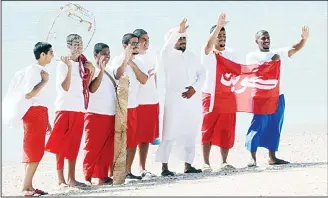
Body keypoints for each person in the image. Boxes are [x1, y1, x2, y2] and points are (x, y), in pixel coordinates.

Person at [245, 26, 310, 167]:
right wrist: (271, 63)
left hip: (277, 96)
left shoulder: (277, 53)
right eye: (263, 38)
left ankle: (272, 157)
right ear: (257, 41)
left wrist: (303, 39)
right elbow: (255, 71)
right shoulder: (252, 56)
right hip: (260, 96)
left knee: (276, 124)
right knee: (257, 124)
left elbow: (294, 48)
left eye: (268, 37)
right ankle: (252, 158)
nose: (266, 40)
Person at [155, 18, 205, 176]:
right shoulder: (167, 54)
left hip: (191, 99)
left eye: (184, 38)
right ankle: (164, 167)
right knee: (169, 132)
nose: (183, 41)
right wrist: (178, 30)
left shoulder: (192, 55)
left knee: (190, 132)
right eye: (179, 38)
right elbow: (167, 45)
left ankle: (188, 165)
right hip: (174, 100)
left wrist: (195, 89)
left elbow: (202, 73)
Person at [45, 33, 94, 187]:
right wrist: (70, 67)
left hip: (79, 109)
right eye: (74, 44)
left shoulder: (83, 63)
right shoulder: (62, 63)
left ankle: (72, 178)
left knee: (73, 144)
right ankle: (61, 180)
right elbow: (65, 87)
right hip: (64, 108)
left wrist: (91, 71)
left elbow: (87, 87)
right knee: (60, 144)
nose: (78, 47)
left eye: (80, 44)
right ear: (68, 46)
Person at [8, 42, 53, 197]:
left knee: (33, 149)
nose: (52, 56)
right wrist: (44, 82)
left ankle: (29, 186)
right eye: (50, 53)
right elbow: (28, 94)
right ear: (43, 54)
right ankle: (26, 188)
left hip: (38, 113)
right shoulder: (36, 71)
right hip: (34, 113)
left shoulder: (37, 70)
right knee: (35, 150)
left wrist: (47, 121)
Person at [200, 13, 238, 171]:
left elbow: (237, 72)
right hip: (210, 95)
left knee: (226, 129)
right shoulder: (208, 52)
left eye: (224, 34)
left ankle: (224, 161)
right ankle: (206, 162)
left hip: (227, 96)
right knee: (207, 128)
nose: (222, 37)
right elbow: (208, 46)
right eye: (219, 34)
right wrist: (218, 26)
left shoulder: (230, 52)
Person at [111, 33, 149, 180]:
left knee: (132, 140)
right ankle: (117, 172)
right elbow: (117, 75)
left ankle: (128, 171)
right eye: (132, 43)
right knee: (120, 140)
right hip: (121, 106)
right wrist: (126, 60)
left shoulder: (140, 61)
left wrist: (132, 63)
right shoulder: (117, 59)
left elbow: (144, 79)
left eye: (137, 43)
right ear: (125, 46)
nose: (136, 46)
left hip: (134, 106)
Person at [83, 43, 116, 185]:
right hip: (95, 114)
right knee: (92, 147)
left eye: (108, 53)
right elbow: (92, 89)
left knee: (107, 149)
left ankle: (102, 176)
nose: (107, 56)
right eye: (103, 53)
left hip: (110, 114)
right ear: (96, 55)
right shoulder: (92, 70)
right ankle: (87, 177)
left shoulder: (110, 70)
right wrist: (101, 71)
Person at [133, 28, 159, 178]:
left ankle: (142, 167)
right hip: (137, 102)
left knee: (146, 137)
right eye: (144, 39)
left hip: (151, 100)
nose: (146, 42)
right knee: (133, 137)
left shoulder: (152, 54)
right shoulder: (134, 57)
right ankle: (127, 169)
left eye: (148, 39)